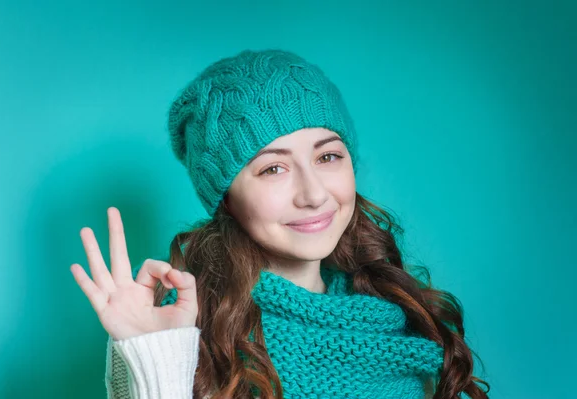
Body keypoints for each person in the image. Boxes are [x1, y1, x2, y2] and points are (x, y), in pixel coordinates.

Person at [70, 49, 490, 399]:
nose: (313, 194)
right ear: (227, 201)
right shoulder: (184, 331)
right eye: (273, 168)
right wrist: (154, 355)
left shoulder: (400, 313)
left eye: (328, 157)